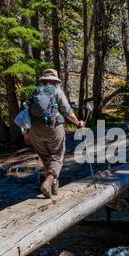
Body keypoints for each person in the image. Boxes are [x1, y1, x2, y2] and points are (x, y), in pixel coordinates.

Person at [24, 69, 85, 198]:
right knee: (57, 156)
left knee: (46, 157)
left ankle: (53, 186)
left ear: (43, 80)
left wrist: (26, 133)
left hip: (34, 130)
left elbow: (25, 113)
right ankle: (50, 179)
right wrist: (77, 123)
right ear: (55, 81)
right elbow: (67, 111)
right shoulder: (57, 91)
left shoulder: (34, 92)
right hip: (53, 129)